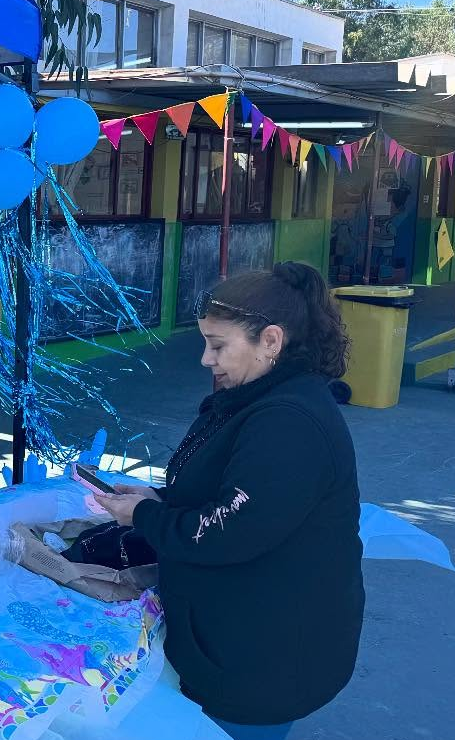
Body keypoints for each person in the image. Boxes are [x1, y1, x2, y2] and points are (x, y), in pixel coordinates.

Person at [94, 262, 363, 740]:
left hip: (264, 660)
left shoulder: (289, 423)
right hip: (243, 638)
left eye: (218, 345)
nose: (206, 359)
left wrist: (147, 515)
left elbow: (230, 529)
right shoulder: (256, 397)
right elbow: (231, 492)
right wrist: (161, 498)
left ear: (271, 341)